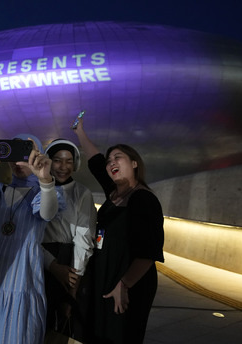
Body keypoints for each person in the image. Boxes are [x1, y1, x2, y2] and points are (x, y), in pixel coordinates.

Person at [73, 117, 164, 344]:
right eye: (109, 160)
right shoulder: (114, 192)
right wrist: (79, 132)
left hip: (129, 282)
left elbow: (150, 251)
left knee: (121, 335)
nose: (111, 162)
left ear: (134, 163)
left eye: (118, 157)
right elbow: (95, 162)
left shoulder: (142, 198)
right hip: (106, 276)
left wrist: (124, 284)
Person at [0, 134, 63, 344]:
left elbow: (47, 213)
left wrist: (45, 179)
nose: (19, 161)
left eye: (26, 152)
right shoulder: (0, 190)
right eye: (13, 152)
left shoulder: (45, 191)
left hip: (23, 283)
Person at [42, 139, 96, 341]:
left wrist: (72, 291)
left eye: (68, 161)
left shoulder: (82, 193)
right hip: (41, 260)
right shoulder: (37, 189)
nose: (63, 167)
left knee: (66, 325)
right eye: (57, 160)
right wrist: (51, 265)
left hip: (70, 263)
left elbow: (84, 241)